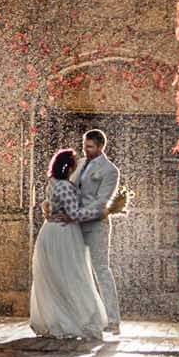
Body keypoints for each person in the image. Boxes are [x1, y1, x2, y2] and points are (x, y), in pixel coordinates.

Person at [28, 147, 107, 341]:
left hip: (52, 231)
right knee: (72, 276)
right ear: (68, 166)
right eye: (74, 161)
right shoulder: (64, 186)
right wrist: (100, 212)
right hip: (62, 235)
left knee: (57, 278)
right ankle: (78, 321)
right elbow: (74, 214)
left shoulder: (54, 184)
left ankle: (61, 319)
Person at [72, 128, 122, 336]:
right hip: (75, 224)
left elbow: (103, 201)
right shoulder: (81, 163)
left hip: (96, 225)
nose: (86, 150)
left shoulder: (110, 170)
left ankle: (112, 320)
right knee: (77, 270)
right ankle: (83, 317)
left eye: (90, 146)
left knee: (101, 269)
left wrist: (77, 214)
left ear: (101, 147)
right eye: (84, 145)